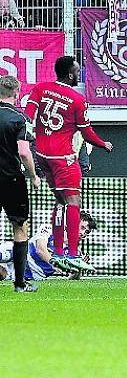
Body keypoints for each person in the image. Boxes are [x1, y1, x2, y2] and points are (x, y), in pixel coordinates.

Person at [24, 56, 112, 273]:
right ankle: (73, 254)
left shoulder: (40, 89)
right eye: (78, 70)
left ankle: (59, 253)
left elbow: (28, 116)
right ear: (71, 74)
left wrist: (30, 135)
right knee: (73, 202)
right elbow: (87, 133)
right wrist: (104, 144)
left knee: (60, 202)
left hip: (42, 155)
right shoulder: (77, 99)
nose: (80, 73)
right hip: (63, 157)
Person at [0, 76, 41, 292]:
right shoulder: (19, 118)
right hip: (11, 178)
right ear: (17, 93)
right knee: (20, 226)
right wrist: (34, 175)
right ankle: (19, 284)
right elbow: (24, 152)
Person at [0, 210, 97, 283]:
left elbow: (72, 279)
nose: (83, 233)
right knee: (8, 253)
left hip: (27, 275)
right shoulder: (49, 230)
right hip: (17, 255)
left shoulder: (76, 253)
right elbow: (40, 250)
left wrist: (78, 268)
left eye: (86, 232)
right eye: (82, 227)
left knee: (2, 274)